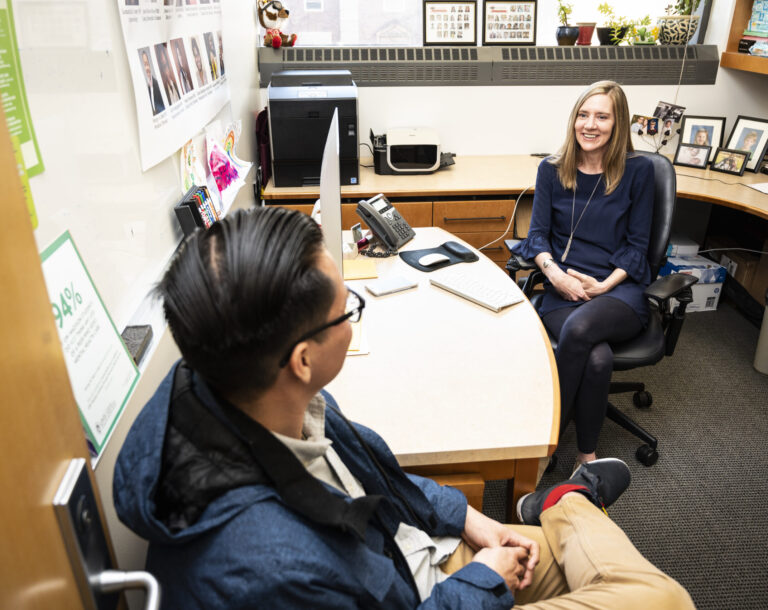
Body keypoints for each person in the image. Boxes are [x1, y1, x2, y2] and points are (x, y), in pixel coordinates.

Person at [114, 206, 693, 609]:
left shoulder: (245, 392)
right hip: (424, 590)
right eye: (348, 308)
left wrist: (472, 520)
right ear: (302, 360)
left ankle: (564, 504)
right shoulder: (271, 571)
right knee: (662, 597)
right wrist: (483, 582)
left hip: (410, 552)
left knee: (640, 591)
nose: (353, 313)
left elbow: (376, 475)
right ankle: (567, 506)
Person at [511, 81, 654, 471]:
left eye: (602, 116)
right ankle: (586, 456)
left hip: (619, 291)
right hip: (562, 289)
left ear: (617, 123)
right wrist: (556, 276)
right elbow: (536, 236)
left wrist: (604, 285)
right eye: (583, 114)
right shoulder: (552, 170)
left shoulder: (638, 172)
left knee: (579, 333)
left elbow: (638, 245)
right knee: (596, 359)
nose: (590, 125)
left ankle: (545, 440)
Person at [139, 49, 164, 115]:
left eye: (147, 64)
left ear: (149, 65)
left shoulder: (157, 84)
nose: (146, 67)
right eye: (144, 65)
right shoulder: (145, 88)